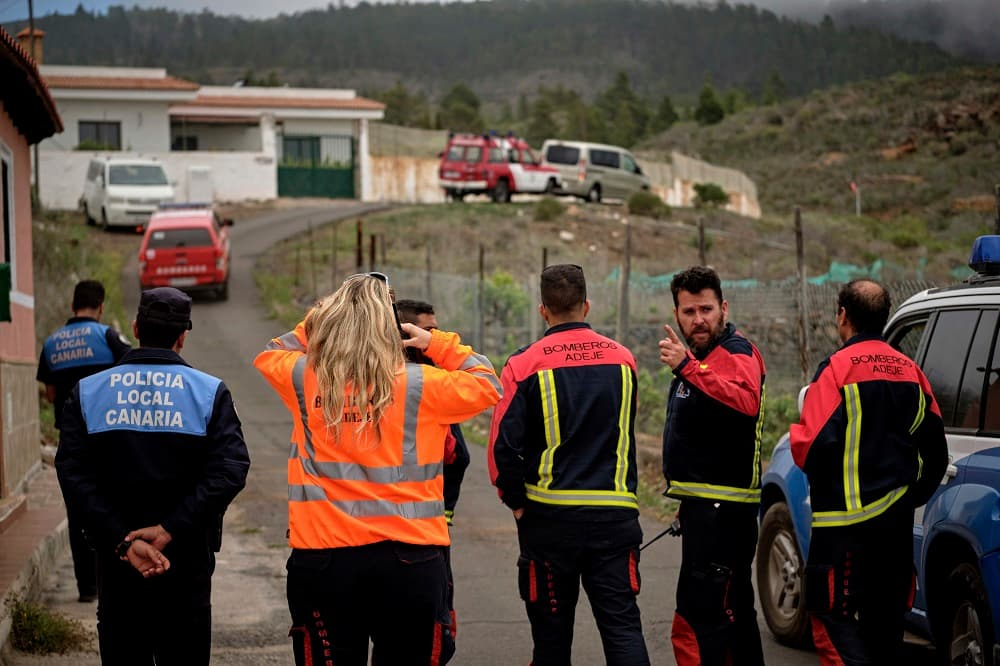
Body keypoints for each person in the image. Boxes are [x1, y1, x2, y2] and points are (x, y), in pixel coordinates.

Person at [254, 272, 501, 666]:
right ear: (392, 326)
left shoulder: (307, 378)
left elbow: (270, 352)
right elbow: (488, 383)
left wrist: (318, 317)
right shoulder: (421, 384)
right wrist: (434, 341)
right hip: (410, 560)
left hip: (324, 560)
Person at [55, 287, 250, 665]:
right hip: (186, 567)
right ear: (182, 336)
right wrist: (169, 528)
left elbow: (72, 472)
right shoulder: (209, 393)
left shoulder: (89, 392)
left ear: (135, 327)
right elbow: (231, 469)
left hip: (118, 566)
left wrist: (123, 541)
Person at [489, 263, 650, 666]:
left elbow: (502, 450)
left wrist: (517, 502)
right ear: (587, 304)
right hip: (615, 518)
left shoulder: (523, 364)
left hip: (549, 522)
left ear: (543, 309)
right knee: (623, 630)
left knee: (551, 639)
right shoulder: (623, 359)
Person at [790, 279, 948, 664]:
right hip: (894, 535)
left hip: (842, 535)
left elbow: (808, 446)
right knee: (886, 635)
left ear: (843, 316)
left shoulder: (836, 370)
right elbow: (937, 456)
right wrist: (909, 497)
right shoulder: (912, 372)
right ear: (884, 317)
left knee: (833, 628)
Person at [658, 266, 766, 666]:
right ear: (676, 314)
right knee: (733, 616)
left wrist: (686, 367)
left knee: (702, 620)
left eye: (705, 309)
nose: (698, 319)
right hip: (706, 509)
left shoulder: (735, 351)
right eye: (688, 312)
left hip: (725, 513)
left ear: (723, 308)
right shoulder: (701, 357)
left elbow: (745, 401)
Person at [37, 279, 131, 603]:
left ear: (72, 305)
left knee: (78, 512)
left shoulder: (51, 343)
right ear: (101, 307)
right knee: (110, 507)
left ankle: (86, 588)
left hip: (71, 442)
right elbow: (131, 368)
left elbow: (49, 393)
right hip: (106, 437)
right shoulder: (106, 336)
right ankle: (112, 580)